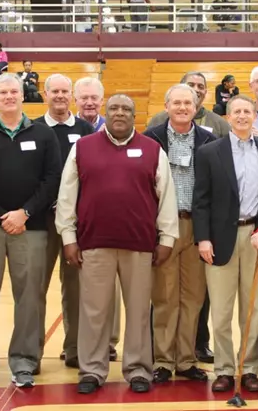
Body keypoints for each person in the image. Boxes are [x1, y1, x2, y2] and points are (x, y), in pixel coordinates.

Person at [58, 93, 179, 395]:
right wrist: (68, 237)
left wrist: (166, 237)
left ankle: (138, 369)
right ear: (106, 112)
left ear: (134, 115)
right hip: (93, 242)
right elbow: (66, 196)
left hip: (140, 244)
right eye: (114, 108)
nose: (120, 113)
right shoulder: (82, 148)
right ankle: (92, 369)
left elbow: (166, 197)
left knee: (138, 310)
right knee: (94, 310)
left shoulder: (152, 149)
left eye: (126, 109)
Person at [0, 72, 62, 389]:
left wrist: (25, 212)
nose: (8, 96)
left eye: (13, 91)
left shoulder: (44, 135)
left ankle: (24, 362)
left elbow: (52, 180)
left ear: (22, 95)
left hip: (30, 229)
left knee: (30, 297)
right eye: (2, 92)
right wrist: (2, 214)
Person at [197, 96, 258, 395]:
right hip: (219, 238)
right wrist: (203, 237)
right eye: (237, 112)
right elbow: (201, 199)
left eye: (248, 111)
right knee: (220, 310)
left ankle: (248, 368)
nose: (243, 116)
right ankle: (223, 369)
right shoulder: (210, 152)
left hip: (254, 238)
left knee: (253, 307)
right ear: (228, 116)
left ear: (254, 117)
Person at [146, 85, 216, 383]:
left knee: (193, 297)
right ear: (166, 105)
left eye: (188, 102)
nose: (183, 107)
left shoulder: (209, 140)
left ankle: (186, 360)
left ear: (196, 106)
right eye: (177, 102)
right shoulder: (151, 140)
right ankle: (162, 360)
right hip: (164, 226)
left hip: (197, 225)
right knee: (164, 296)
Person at [39, 74, 105, 369]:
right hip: (40, 222)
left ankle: (76, 348)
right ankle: (31, 352)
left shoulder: (86, 130)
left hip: (77, 225)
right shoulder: (34, 129)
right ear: (45, 94)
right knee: (34, 288)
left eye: (66, 91)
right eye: (55, 91)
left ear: (72, 96)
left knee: (76, 289)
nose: (60, 96)